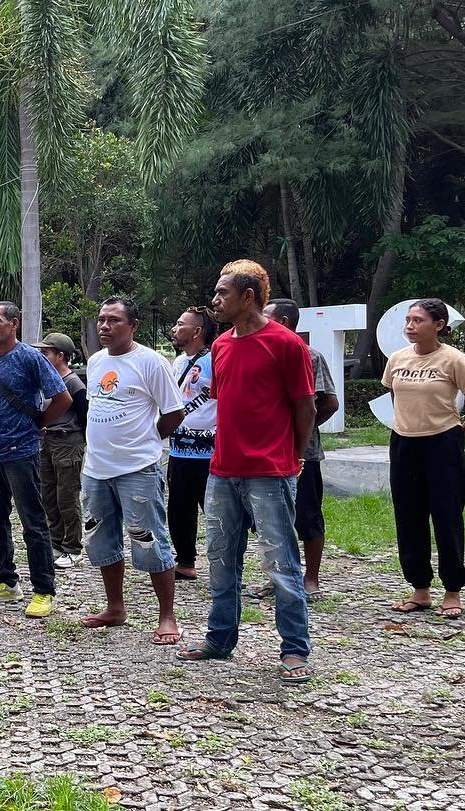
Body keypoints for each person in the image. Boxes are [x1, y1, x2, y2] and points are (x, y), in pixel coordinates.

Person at [177, 259, 317, 685]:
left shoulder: (286, 344)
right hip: (222, 469)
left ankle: (295, 649)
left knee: (281, 562)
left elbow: (305, 407)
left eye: (223, 293)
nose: (215, 301)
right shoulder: (221, 346)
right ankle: (220, 638)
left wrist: (292, 458)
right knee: (221, 559)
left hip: (270, 472)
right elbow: (227, 402)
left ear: (249, 296)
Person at [79, 297, 185, 644]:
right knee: (101, 540)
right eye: (101, 319)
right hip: (96, 468)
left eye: (114, 320)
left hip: (137, 468)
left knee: (149, 540)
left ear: (134, 326)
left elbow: (174, 413)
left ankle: (167, 616)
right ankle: (115, 608)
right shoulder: (96, 361)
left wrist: (147, 439)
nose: (104, 326)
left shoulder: (151, 362)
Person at [382, 298, 465, 620]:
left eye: (418, 320)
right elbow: (395, 395)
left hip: (442, 443)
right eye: (408, 320)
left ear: (439, 325)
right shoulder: (397, 359)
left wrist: (456, 436)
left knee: (446, 516)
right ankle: (420, 589)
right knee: (408, 516)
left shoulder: (454, 359)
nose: (410, 326)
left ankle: (452, 590)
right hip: (404, 443)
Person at [0, 302, 71, 618]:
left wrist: (39, 423)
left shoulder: (30, 357)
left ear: (13, 324)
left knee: (33, 522)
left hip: (22, 452)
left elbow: (62, 398)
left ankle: (44, 590)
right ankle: (5, 580)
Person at [247, 299, 341, 601]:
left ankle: (310, 578)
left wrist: (300, 431)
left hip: (302, 453)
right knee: (269, 518)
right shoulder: (256, 353)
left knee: (308, 515)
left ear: (284, 322)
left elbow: (329, 402)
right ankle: (276, 576)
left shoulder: (309, 356)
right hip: (264, 451)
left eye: (266, 316)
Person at [166, 307, 218, 580]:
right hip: (178, 450)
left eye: (180, 324)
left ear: (197, 331)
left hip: (208, 453)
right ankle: (185, 560)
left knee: (215, 510)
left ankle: (223, 562)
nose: (174, 329)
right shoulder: (177, 362)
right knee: (178, 509)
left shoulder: (214, 360)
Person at [30, 332, 88, 569]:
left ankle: (72, 547)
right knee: (48, 495)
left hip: (68, 441)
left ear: (61, 356)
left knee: (67, 496)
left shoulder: (73, 383)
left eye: (46, 353)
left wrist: (81, 442)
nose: (42, 357)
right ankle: (55, 542)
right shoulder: (47, 380)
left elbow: (84, 416)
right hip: (48, 441)